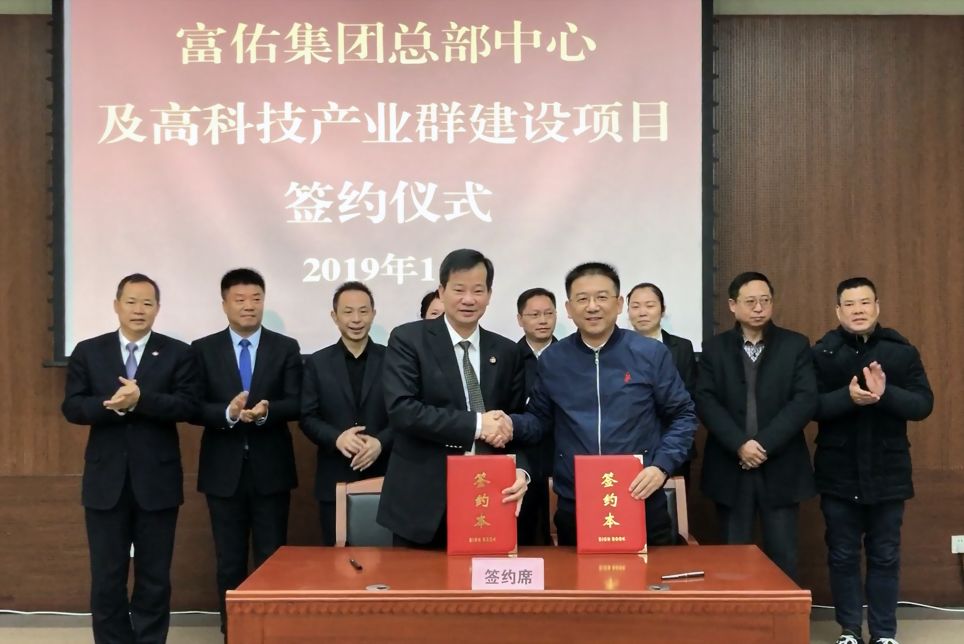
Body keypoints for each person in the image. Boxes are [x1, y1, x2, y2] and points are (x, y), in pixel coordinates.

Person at [512, 262, 696, 547]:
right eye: (582, 299)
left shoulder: (650, 353)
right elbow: (538, 420)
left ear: (619, 304)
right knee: (578, 575)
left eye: (601, 297)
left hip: (641, 497)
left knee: (652, 575)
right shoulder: (554, 359)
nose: (592, 306)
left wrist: (661, 466)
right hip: (576, 501)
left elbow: (683, 415)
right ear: (569, 308)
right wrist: (506, 423)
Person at [62, 273, 198, 644]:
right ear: (116, 305)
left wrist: (142, 400)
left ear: (158, 308)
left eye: (147, 303)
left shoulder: (178, 352)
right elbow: (73, 407)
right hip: (105, 482)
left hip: (158, 482)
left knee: (154, 577)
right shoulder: (89, 351)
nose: (139, 310)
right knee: (107, 577)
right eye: (132, 302)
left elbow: (187, 406)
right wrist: (113, 406)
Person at [377, 248, 529, 548]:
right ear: (442, 291)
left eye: (478, 290)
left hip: (490, 497)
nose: (468, 299)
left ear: (489, 295)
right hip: (423, 504)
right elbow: (402, 410)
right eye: (459, 290)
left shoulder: (507, 351)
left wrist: (522, 470)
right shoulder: (408, 339)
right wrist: (478, 425)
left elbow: (515, 423)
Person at [812, 277, 933, 644]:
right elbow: (809, 406)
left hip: (888, 472)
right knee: (842, 555)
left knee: (885, 554)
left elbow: (923, 404)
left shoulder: (901, 351)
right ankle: (850, 629)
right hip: (838, 472)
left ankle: (883, 633)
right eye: (850, 304)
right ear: (838, 311)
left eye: (865, 302)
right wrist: (846, 398)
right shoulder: (822, 353)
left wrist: (885, 394)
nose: (858, 310)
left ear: (877, 306)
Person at [190, 268, 302, 634]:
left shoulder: (285, 347)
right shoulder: (203, 350)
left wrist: (268, 411)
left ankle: (273, 632)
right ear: (224, 304)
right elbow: (192, 406)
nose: (248, 306)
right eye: (239, 300)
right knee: (229, 560)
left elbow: (298, 402)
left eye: (256, 299)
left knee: (272, 557)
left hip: (271, 469)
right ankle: (235, 632)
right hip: (223, 471)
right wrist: (227, 413)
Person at [696, 271, 816, 581]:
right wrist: (740, 444)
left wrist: (762, 445)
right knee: (733, 557)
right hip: (730, 466)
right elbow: (705, 401)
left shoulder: (795, 345)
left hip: (781, 465)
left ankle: (783, 614)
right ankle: (736, 614)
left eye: (765, 300)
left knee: (783, 554)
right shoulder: (714, 348)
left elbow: (804, 400)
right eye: (751, 302)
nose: (759, 308)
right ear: (732, 305)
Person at [300, 281, 393, 546]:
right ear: (334, 316)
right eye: (348, 312)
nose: (356, 319)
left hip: (386, 478)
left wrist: (380, 442)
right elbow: (308, 417)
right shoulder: (317, 363)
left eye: (363, 311)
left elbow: (405, 413)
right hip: (334, 478)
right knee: (337, 560)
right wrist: (337, 438)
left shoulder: (393, 359)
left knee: (389, 561)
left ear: (373, 314)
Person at [627, 282, 698, 482]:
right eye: (635, 306)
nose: (642, 312)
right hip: (631, 446)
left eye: (649, 305)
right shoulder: (617, 349)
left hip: (674, 444)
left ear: (662, 309)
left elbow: (689, 396)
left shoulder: (682, 347)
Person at [514, 287, 558, 545]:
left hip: (561, 453)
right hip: (523, 457)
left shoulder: (569, 355)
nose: (543, 320)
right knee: (525, 532)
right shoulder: (509, 357)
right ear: (520, 319)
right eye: (534, 315)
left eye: (548, 314)